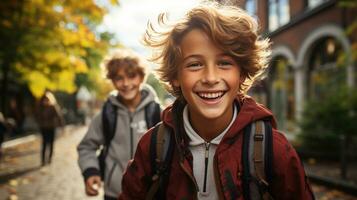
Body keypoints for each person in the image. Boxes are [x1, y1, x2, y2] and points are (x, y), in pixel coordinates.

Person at [119, 3, 314, 200]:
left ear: (242, 73)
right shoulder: (153, 146)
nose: (211, 78)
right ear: (175, 76)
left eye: (224, 63)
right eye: (194, 64)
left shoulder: (273, 149)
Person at [77, 49, 162, 200]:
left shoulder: (157, 112)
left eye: (131, 76)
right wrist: (91, 171)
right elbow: (87, 146)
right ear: (112, 80)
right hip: (114, 193)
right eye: (119, 78)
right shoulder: (106, 114)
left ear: (142, 77)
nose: (126, 83)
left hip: (150, 193)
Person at [35, 91, 64, 166]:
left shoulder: (53, 107)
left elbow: (59, 116)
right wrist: (40, 123)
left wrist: (62, 126)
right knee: (44, 143)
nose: (45, 101)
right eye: (44, 100)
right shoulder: (40, 107)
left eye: (47, 99)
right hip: (44, 128)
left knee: (51, 143)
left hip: (51, 127)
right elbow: (37, 116)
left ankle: (50, 158)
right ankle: (43, 160)